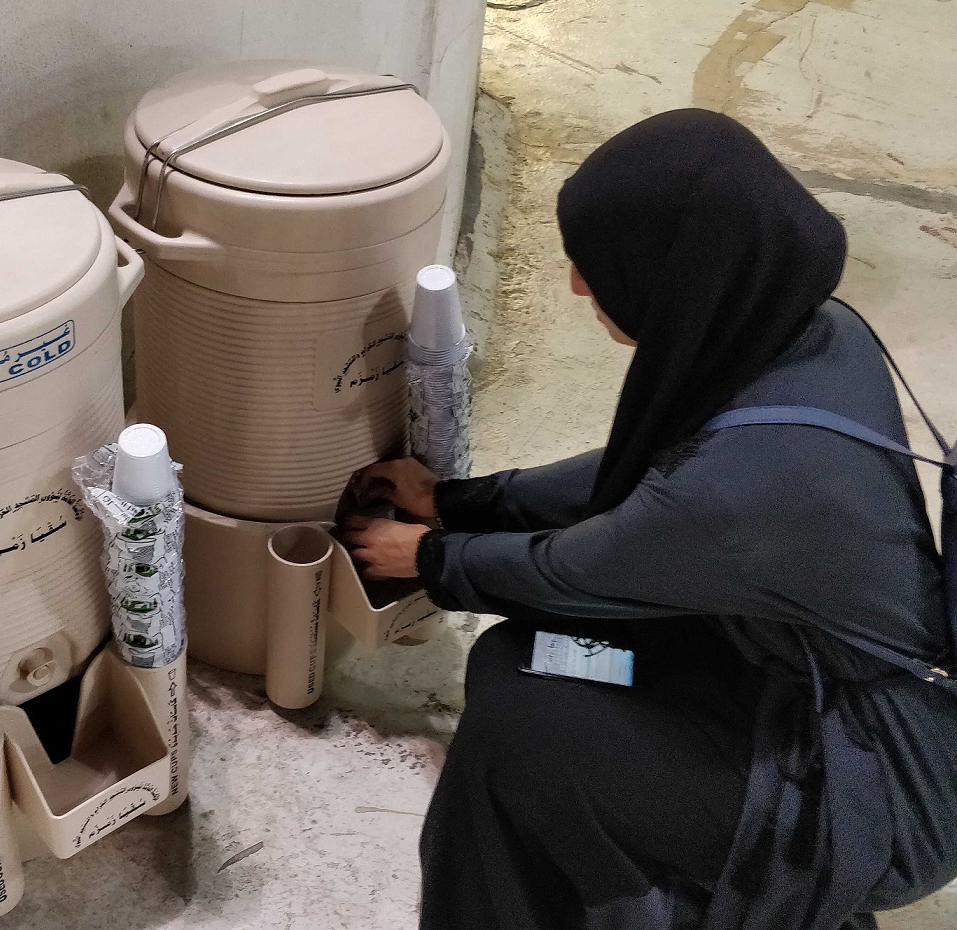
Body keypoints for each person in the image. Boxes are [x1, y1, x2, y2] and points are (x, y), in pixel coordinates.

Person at [342, 109, 957, 930]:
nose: (578, 284)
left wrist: (428, 558)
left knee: (521, 731)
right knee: (521, 663)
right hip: (780, 670)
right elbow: (645, 472)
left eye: (598, 265)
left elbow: (578, 568)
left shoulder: (745, 492)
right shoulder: (805, 328)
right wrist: (458, 502)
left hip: (867, 784)